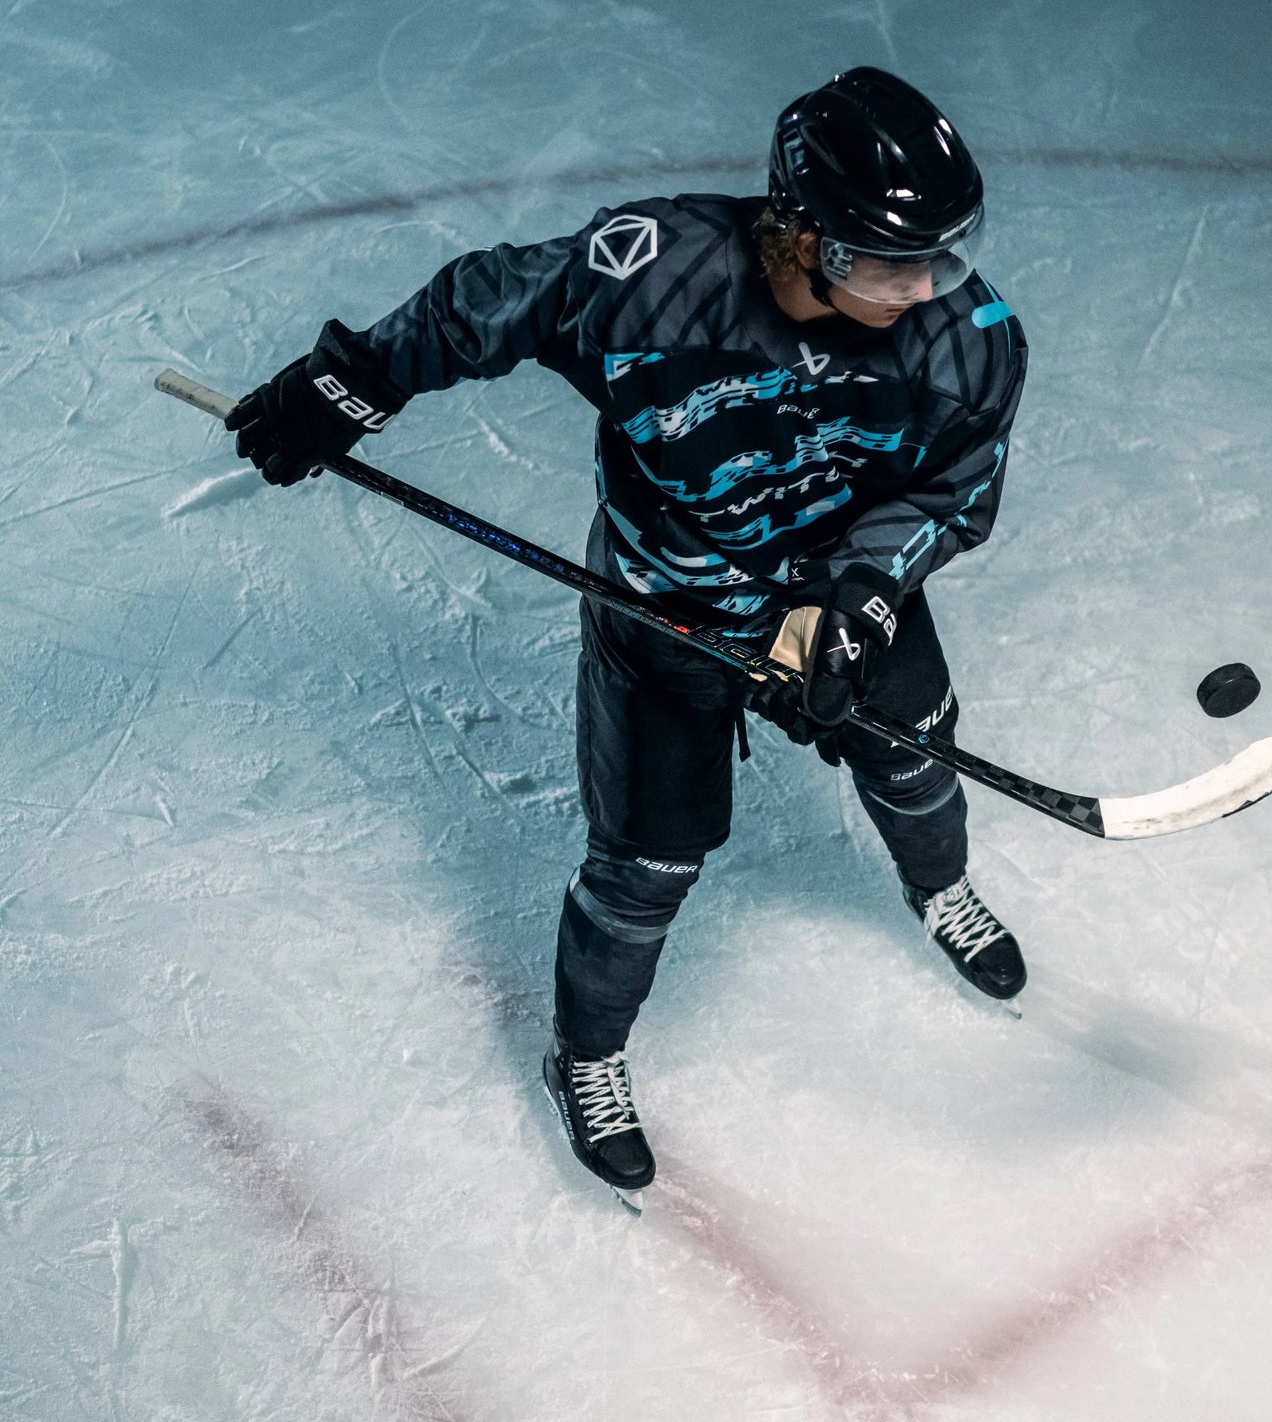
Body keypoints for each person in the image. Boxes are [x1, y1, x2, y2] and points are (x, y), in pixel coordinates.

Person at [226, 67, 1030, 1207]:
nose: (918, 290)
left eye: (941, 258)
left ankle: (938, 887)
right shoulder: (652, 273)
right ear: (794, 232)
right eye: (884, 260)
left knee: (917, 751)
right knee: (647, 863)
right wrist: (346, 384)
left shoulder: (971, 338)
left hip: (843, 590)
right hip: (669, 606)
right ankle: (587, 1055)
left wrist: (855, 603)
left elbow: (955, 488)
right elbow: (484, 302)